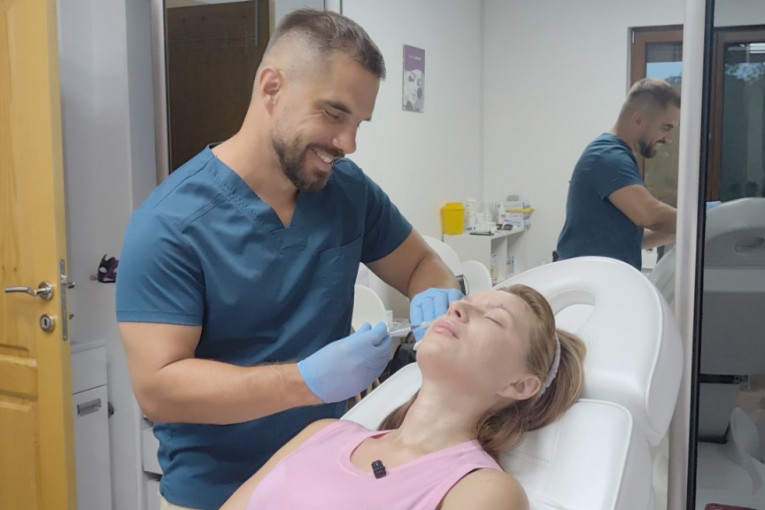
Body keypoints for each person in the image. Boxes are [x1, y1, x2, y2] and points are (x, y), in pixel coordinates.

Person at [115, 9, 463, 509]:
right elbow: (159, 389)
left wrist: (436, 295)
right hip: (217, 495)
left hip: (328, 480)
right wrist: (306, 382)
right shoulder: (169, 225)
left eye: (359, 123)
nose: (349, 144)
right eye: (334, 114)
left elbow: (420, 265)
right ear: (272, 87)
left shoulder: (348, 192)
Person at [220, 285, 586, 510]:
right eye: (464, 302)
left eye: (493, 319)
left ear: (520, 385)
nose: (457, 308)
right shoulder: (323, 432)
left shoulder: (481, 490)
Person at [556, 78, 681, 270]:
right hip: (588, 278)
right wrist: (704, 220)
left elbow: (632, 238)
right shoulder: (608, 156)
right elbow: (650, 215)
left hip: (598, 275)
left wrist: (686, 231)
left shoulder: (618, 156)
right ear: (639, 119)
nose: (669, 138)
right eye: (666, 127)